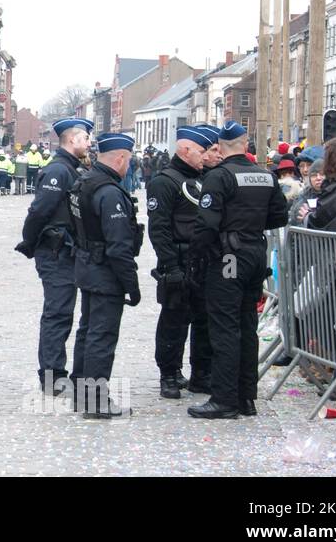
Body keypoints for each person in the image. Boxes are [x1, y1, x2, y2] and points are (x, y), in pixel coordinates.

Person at [189, 122, 288, 419]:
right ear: (245, 144)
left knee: (224, 328)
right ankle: (246, 397)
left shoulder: (219, 177)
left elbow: (206, 224)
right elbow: (279, 216)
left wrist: (198, 257)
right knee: (248, 326)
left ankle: (224, 398)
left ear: (220, 146)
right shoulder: (266, 176)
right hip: (255, 255)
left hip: (227, 257)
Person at [66, 133, 140, 418]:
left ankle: (82, 392)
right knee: (101, 336)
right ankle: (95, 399)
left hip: (87, 265)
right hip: (104, 271)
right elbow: (119, 246)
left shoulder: (84, 181)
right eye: (129, 160)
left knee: (88, 332)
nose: (129, 166)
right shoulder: (108, 191)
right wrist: (131, 285)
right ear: (120, 158)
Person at [16, 118, 93, 394]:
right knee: (58, 313)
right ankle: (51, 375)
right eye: (85, 138)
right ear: (72, 140)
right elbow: (39, 211)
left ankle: (58, 372)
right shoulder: (59, 171)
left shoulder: (72, 169)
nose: (89, 143)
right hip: (55, 250)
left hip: (69, 251)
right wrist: (30, 241)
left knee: (64, 312)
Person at [146, 127, 211, 400]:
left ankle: (200, 374)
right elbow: (158, 228)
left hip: (201, 261)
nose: (204, 157)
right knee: (173, 321)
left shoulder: (204, 179)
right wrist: (170, 266)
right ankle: (169, 374)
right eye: (201, 151)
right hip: (177, 260)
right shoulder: (165, 182)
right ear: (185, 150)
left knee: (203, 320)